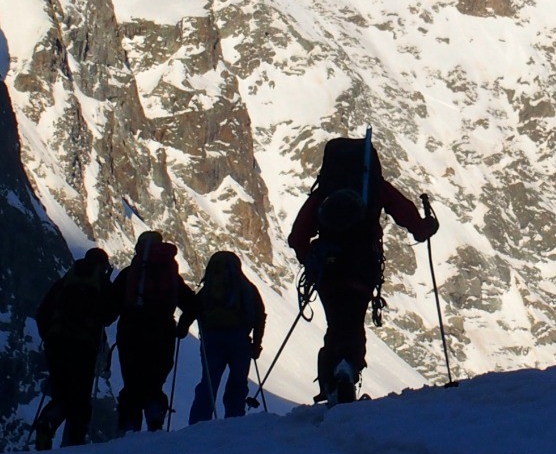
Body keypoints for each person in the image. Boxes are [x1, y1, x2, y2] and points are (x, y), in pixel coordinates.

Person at [288, 135, 438, 405]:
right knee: (353, 320)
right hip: (362, 264)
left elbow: (297, 236)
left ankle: (332, 380)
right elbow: (408, 216)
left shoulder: (325, 190)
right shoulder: (374, 187)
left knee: (336, 321)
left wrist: (310, 258)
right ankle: (348, 368)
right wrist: (425, 227)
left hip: (329, 267)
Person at [111, 231, 196, 433]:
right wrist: (182, 327)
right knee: (154, 382)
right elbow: (191, 303)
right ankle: (155, 415)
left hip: (131, 329)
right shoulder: (171, 275)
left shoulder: (130, 273)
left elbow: (111, 305)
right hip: (162, 330)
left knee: (132, 382)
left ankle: (129, 428)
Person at [32, 248, 117, 449]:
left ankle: (47, 421)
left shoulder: (66, 281)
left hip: (57, 344)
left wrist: (50, 336)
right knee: (79, 397)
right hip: (84, 346)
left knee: (61, 393)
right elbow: (109, 315)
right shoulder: (101, 284)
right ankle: (74, 446)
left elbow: (43, 311)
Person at [176, 250, 266, 423]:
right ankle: (234, 419)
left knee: (209, 382)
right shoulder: (246, 287)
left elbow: (192, 310)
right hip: (239, 341)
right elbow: (259, 315)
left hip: (212, 341)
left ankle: (199, 422)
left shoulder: (208, 288)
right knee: (238, 383)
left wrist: (181, 329)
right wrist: (256, 344)